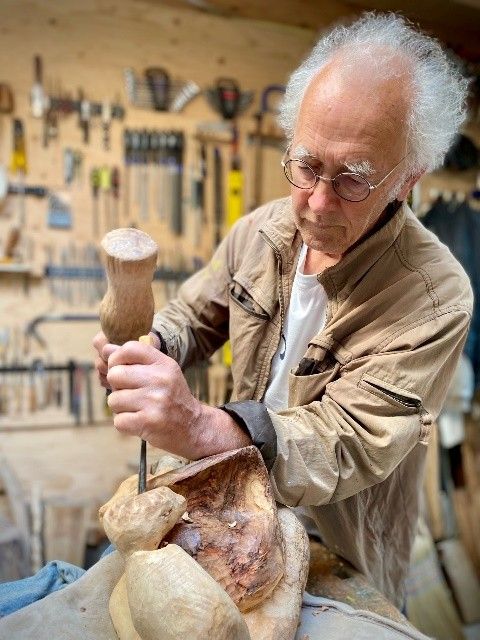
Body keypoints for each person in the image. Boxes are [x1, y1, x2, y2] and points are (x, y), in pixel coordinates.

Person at [93, 12, 473, 609]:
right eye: (307, 165)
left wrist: (199, 427)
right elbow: (194, 315)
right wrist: (154, 349)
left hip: (340, 549)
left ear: (407, 179)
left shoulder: (433, 298)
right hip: (231, 505)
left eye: (353, 180)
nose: (317, 203)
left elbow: (346, 442)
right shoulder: (262, 231)